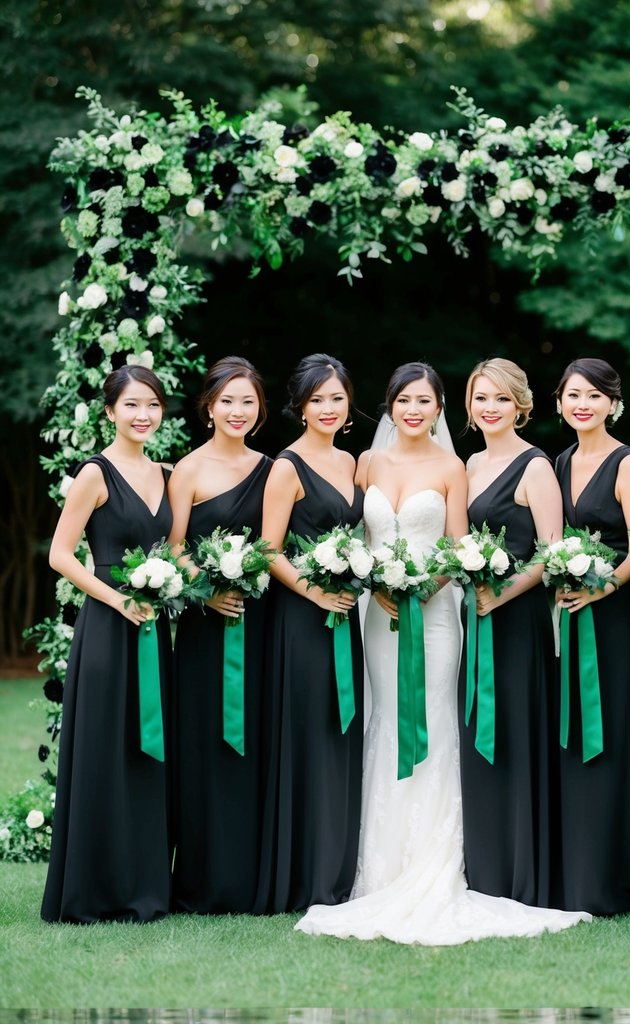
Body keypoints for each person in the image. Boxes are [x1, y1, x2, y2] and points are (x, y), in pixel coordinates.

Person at [296, 362, 591, 944]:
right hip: (376, 617)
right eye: (403, 399)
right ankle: (378, 868)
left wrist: (423, 587)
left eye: (424, 401)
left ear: (438, 409)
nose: (413, 409)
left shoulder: (455, 467)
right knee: (382, 722)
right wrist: (373, 586)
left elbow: (457, 545)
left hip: (434, 618)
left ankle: (437, 861)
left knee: (434, 717)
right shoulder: (367, 464)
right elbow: (352, 538)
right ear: (389, 406)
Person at [42, 366, 173, 923]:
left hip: (154, 629)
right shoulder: (94, 474)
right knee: (103, 751)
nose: (143, 416)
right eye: (132, 406)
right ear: (110, 412)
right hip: (108, 626)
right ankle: (91, 891)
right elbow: (61, 555)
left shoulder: (166, 473)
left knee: (146, 754)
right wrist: (118, 599)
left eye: (153, 406)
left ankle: (143, 888)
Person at [254, 354, 364, 913]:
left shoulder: (353, 462)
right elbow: (269, 550)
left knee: (341, 736)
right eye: (317, 399)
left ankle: (338, 869)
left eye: (336, 398)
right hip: (303, 619)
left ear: (348, 405)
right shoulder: (286, 467)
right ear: (300, 407)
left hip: (348, 618)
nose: (327, 407)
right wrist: (316, 592)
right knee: (308, 737)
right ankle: (302, 878)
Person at [169, 356, 272, 913]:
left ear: (259, 410)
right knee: (202, 743)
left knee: (257, 740)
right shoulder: (187, 469)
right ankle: (203, 879)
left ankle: (253, 876)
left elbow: (278, 543)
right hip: (205, 627)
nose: (237, 411)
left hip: (261, 624)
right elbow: (176, 546)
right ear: (209, 406)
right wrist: (204, 588)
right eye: (228, 400)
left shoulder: (272, 467)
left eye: (248, 402)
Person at [554, 358, 630, 915]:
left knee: (612, 736)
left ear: (613, 403)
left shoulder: (626, 463)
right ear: (560, 402)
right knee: (572, 735)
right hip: (571, 617)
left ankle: (620, 880)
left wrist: (602, 588)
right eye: (573, 394)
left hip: (613, 620)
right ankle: (579, 875)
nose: (583, 404)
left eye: (594, 395)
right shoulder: (561, 460)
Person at [460, 358, 564, 907]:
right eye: (481, 397)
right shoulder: (468, 464)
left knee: (516, 736)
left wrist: (502, 592)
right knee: (477, 734)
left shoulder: (536, 467)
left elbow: (552, 554)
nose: (490, 407)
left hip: (516, 622)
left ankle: (523, 872)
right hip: (470, 620)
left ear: (520, 405)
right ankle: (485, 866)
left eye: (501, 398)